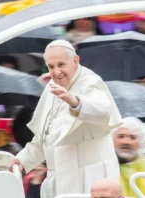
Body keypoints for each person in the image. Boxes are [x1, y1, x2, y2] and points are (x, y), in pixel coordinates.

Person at [9, 39, 122, 198]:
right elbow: (46, 135)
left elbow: (102, 111)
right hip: (59, 176)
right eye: (51, 66)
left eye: (61, 65)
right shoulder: (52, 86)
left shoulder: (91, 81)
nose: (56, 72)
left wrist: (75, 102)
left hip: (90, 178)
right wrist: (23, 160)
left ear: (75, 61)